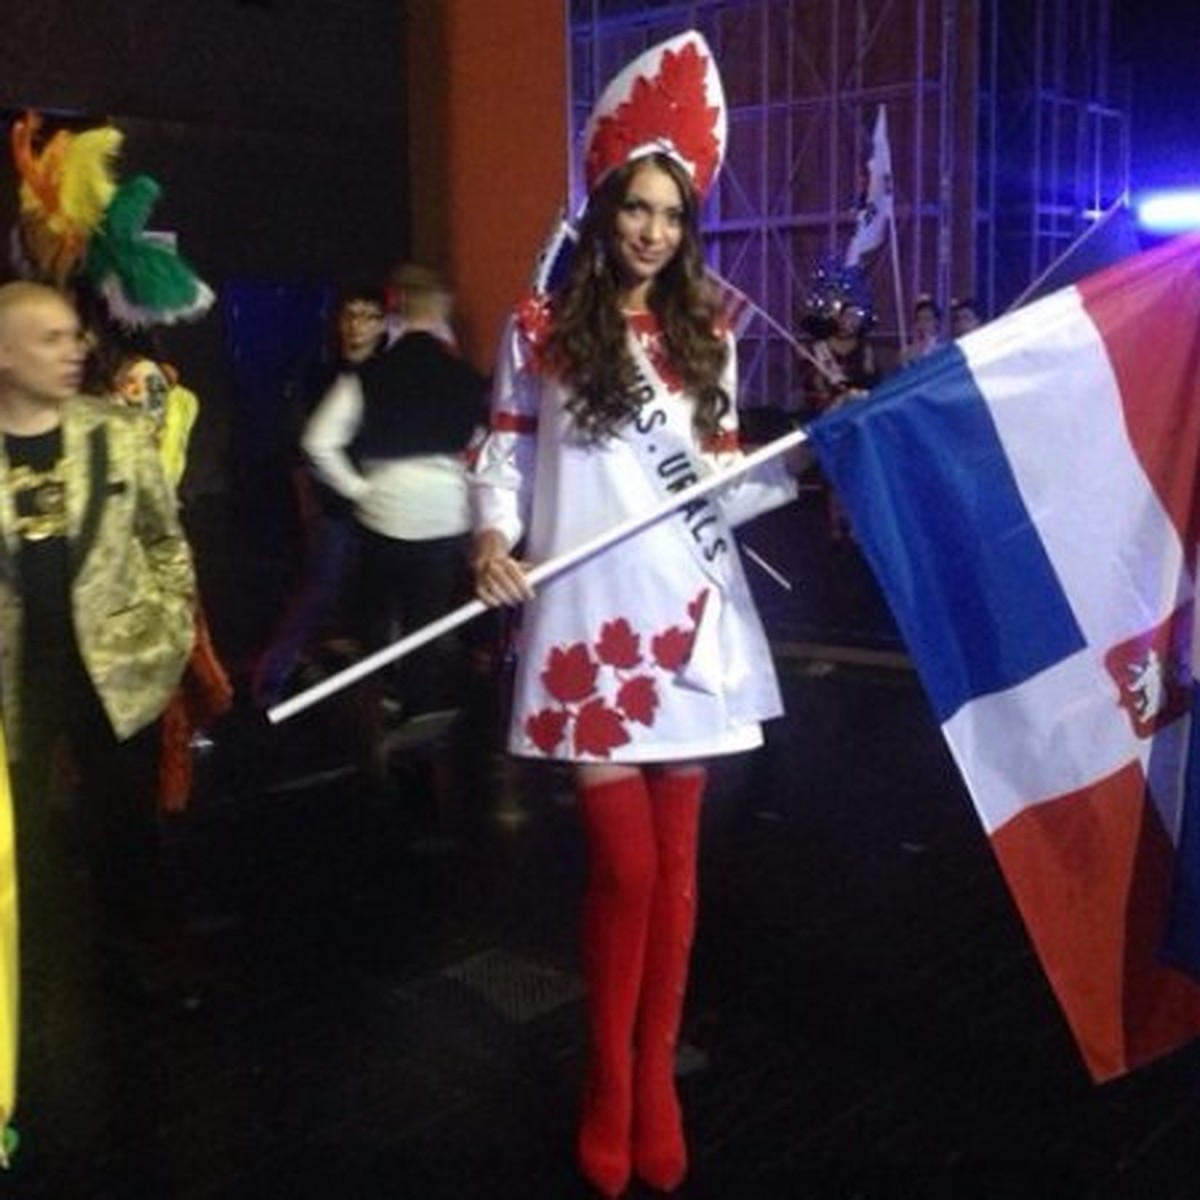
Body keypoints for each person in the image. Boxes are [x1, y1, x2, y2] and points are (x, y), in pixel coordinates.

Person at [470, 32, 803, 1197]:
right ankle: (607, 1083)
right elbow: (503, 459)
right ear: (607, 208)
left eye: (671, 212)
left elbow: (725, 481)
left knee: (680, 877)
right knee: (624, 872)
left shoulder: (713, 332)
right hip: (588, 628)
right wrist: (490, 541)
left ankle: (655, 1079)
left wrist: (810, 460)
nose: (653, 230)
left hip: (690, 618)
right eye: (637, 208)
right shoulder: (537, 327)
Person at [0, 281, 196, 989]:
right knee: (19, 831)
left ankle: (130, 958)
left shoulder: (114, 432)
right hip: (14, 672)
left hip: (116, 664)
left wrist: (169, 629)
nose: (76, 348)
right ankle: (27, 970)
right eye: (50, 338)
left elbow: (165, 539)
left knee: (124, 830)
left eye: (74, 333)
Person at [302, 266, 487, 742]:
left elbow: (317, 442)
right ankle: (419, 721)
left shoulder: (369, 376)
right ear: (443, 308)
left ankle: (377, 711)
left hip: (383, 514)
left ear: (397, 308)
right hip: (445, 517)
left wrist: (358, 489)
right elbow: (484, 446)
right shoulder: (468, 379)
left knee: (375, 622)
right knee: (427, 626)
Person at [251, 285, 389, 708]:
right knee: (321, 587)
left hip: (378, 497)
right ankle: (272, 678)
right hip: (332, 499)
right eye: (350, 315)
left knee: (372, 592)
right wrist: (308, 493)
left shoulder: (388, 374)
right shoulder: (320, 375)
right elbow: (303, 443)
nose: (357, 325)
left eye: (367, 316)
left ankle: (368, 685)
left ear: (382, 324)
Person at [901, 293, 943, 364]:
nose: (922, 324)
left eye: (927, 319)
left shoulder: (942, 348)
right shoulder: (909, 351)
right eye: (919, 319)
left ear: (936, 321)